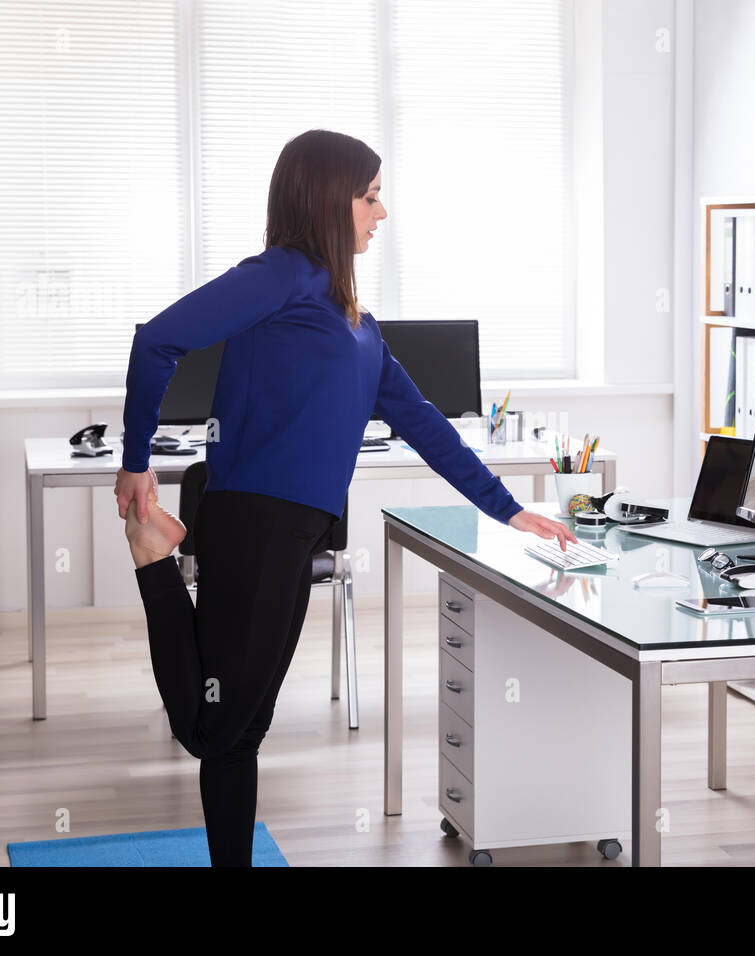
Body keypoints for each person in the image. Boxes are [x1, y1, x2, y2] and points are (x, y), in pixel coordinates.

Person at [114, 129, 577, 866]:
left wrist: (507, 508)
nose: (380, 212)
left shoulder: (354, 319)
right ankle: (152, 561)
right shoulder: (280, 276)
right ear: (329, 199)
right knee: (214, 729)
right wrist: (137, 461)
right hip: (251, 523)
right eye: (369, 196)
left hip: (299, 533)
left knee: (244, 729)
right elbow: (158, 341)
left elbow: (424, 423)